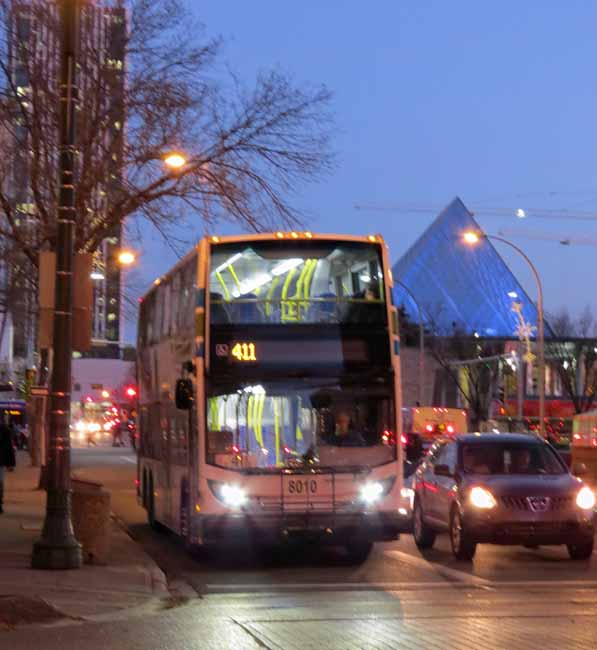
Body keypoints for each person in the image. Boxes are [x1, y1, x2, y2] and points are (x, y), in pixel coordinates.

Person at [0, 418, 16, 514]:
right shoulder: (4, 429)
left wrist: (10, 463)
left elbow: (8, 446)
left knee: (0, 483)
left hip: (0, 461)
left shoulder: (3, 429)